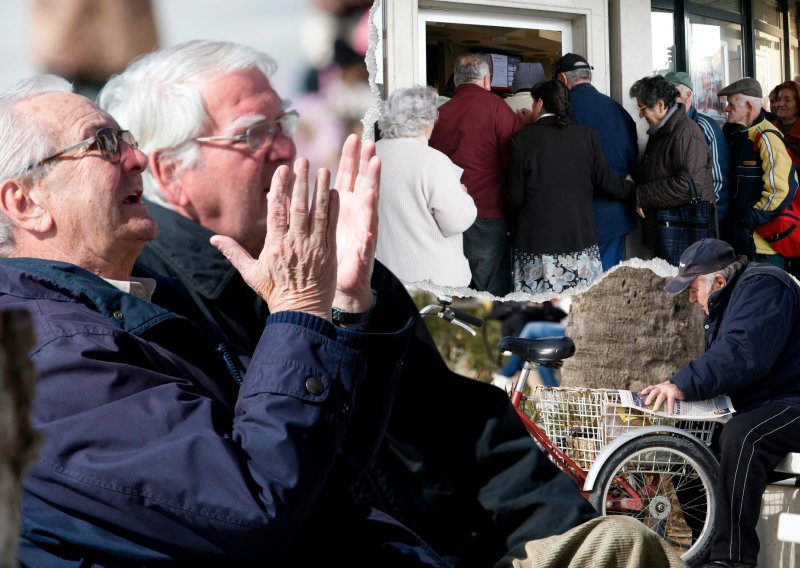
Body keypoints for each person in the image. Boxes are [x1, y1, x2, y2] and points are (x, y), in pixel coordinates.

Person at [98, 40, 600, 567]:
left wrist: (561, 539)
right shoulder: (151, 317)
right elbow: (264, 509)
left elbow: (458, 422)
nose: (286, 150)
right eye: (253, 134)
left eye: (285, 125)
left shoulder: (332, 257)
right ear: (171, 172)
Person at [0, 75, 450, 565]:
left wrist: (344, 308)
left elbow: (320, 468)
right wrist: (300, 310)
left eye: (126, 139)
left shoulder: (135, 304)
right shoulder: (46, 355)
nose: (136, 159)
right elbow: (254, 505)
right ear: (26, 203)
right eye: (103, 144)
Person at [641, 238, 800, 568]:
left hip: (792, 401)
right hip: (768, 400)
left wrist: (681, 384)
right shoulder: (728, 299)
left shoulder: (765, 286)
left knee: (744, 436)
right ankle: (708, 543)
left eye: (693, 288)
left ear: (719, 281)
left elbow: (743, 355)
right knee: (689, 438)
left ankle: (732, 559)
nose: (690, 297)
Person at [505, 79, 633, 294]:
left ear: (538, 103)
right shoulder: (587, 136)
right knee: (579, 306)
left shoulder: (522, 140)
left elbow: (514, 197)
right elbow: (605, 182)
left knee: (539, 306)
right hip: (579, 239)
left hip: (536, 243)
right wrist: (628, 186)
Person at [429, 53, 524, 296]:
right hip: (488, 214)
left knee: (452, 293)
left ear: (457, 81)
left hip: (443, 216)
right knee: (489, 294)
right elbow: (515, 163)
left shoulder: (438, 115)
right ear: (486, 80)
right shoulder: (498, 109)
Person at [374, 85, 476, 286]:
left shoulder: (370, 155)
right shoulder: (434, 160)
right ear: (425, 119)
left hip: (384, 273)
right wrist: (463, 195)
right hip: (431, 279)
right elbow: (456, 221)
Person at [552, 53, 639, 271]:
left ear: (562, 79)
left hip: (576, 219)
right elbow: (631, 158)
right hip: (615, 216)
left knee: (575, 294)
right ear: (588, 77)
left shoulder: (562, 113)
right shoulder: (619, 110)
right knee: (606, 292)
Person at [629, 74, 715, 265]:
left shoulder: (686, 133)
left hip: (684, 233)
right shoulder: (663, 131)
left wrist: (642, 195)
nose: (641, 114)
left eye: (643, 108)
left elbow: (687, 185)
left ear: (660, 105)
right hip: (669, 228)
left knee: (682, 289)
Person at [717, 77, 798, 268]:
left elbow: (781, 189)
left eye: (731, 103)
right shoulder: (739, 136)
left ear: (749, 106)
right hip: (743, 241)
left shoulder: (767, 137)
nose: (726, 109)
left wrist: (749, 218)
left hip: (762, 247)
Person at [663, 71, 730, 224]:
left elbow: (719, 181)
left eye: (673, 94)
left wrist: (708, 219)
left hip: (700, 220)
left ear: (688, 96)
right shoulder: (665, 127)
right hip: (674, 220)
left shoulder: (705, 126)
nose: (667, 100)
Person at [491, 300, 568, 390]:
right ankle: (553, 391)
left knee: (531, 330)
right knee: (539, 353)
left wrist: (540, 306)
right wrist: (523, 307)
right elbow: (496, 312)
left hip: (530, 344)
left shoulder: (545, 300)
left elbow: (559, 313)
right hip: (527, 348)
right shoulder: (512, 307)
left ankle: (506, 374)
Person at [770, 79, 800, 164]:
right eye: (779, 99)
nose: (780, 104)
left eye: (787, 100)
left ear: (798, 104)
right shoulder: (769, 127)